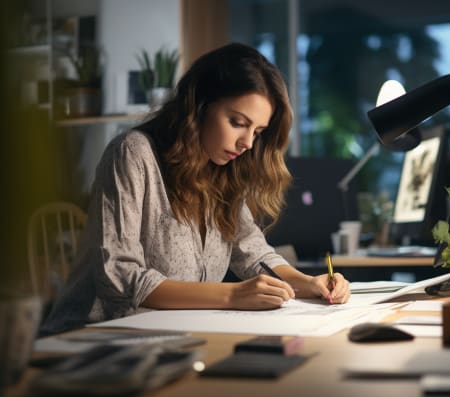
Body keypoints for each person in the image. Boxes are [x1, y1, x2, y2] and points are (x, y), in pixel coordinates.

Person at [41, 43, 350, 335]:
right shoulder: (132, 154)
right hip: (84, 343)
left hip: (164, 341)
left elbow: (252, 252)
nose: (248, 143)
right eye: (237, 122)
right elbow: (121, 277)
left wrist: (308, 284)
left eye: (258, 131)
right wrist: (232, 295)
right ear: (199, 105)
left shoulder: (223, 169)